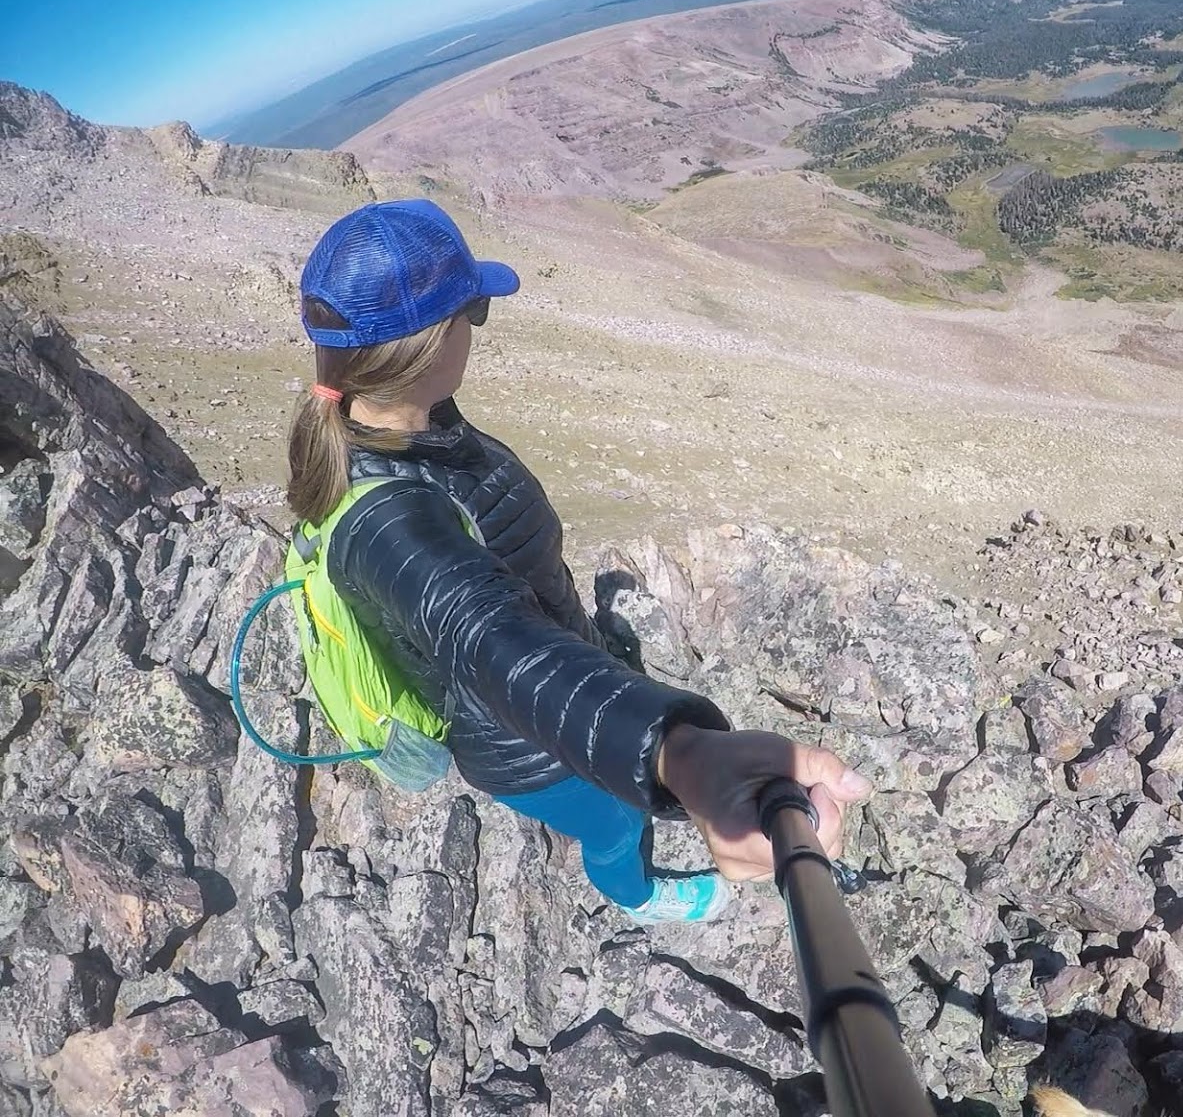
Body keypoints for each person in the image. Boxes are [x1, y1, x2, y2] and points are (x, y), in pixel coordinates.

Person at [286, 198, 869, 924]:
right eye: (475, 312)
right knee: (618, 823)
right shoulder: (389, 519)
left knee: (616, 811)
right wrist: (677, 756)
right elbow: (489, 640)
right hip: (521, 743)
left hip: (554, 676)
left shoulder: (411, 430)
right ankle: (641, 894)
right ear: (430, 343)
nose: (478, 330)